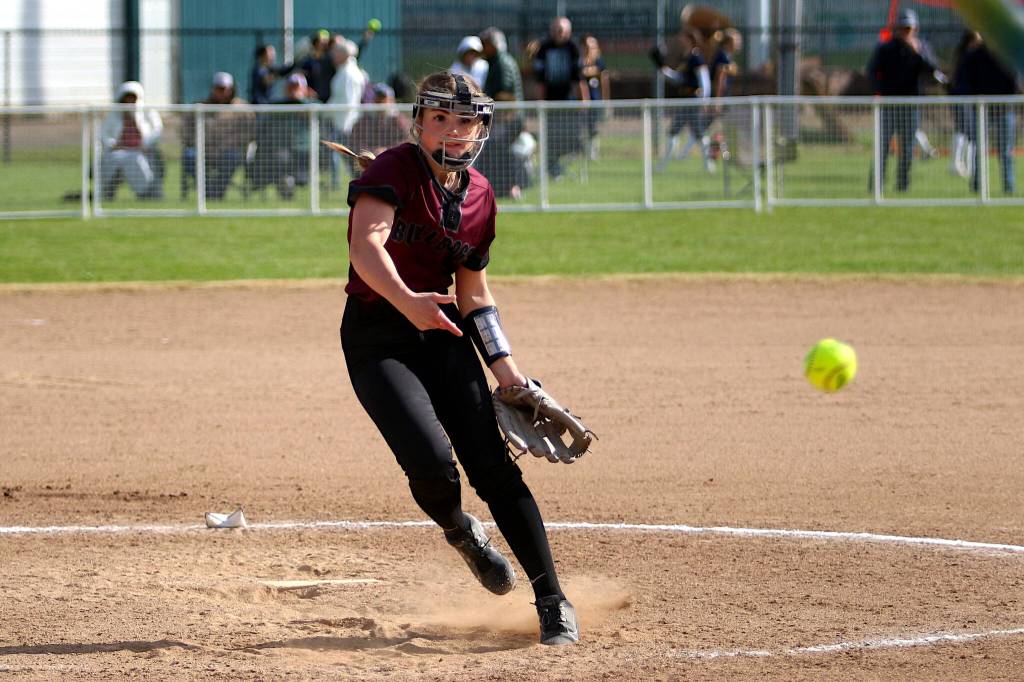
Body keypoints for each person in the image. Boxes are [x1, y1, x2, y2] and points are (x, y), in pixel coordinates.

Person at [340, 71, 579, 646]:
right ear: (419, 121)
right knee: (430, 463)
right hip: (378, 339)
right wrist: (406, 302)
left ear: (481, 130)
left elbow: (473, 293)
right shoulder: (390, 171)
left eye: (465, 120)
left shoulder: (480, 198)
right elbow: (365, 245)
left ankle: (552, 601)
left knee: (493, 467)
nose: (452, 130)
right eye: (440, 117)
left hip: (443, 334)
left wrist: (506, 367)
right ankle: (459, 529)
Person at [865, 9, 946, 192]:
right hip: (889, 104)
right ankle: (876, 183)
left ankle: (903, 184)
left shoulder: (922, 47)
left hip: (912, 103)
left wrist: (919, 53)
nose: (906, 32)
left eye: (909, 28)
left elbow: (933, 71)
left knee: (908, 147)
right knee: (883, 145)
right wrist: (880, 91)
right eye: (903, 28)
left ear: (915, 28)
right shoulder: (885, 48)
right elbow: (872, 71)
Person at [960, 36, 1020, 195]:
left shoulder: (1007, 56)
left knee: (1005, 151)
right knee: (978, 149)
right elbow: (964, 81)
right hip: (980, 110)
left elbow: (1015, 80)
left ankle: (1009, 187)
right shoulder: (974, 56)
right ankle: (977, 186)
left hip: (1004, 109)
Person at [532, 17, 586, 179]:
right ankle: (552, 167)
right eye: (556, 30)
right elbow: (540, 81)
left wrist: (584, 102)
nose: (559, 34)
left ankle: (562, 164)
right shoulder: (544, 48)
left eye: (562, 30)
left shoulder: (573, 48)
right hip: (550, 102)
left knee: (571, 136)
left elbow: (579, 79)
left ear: (568, 32)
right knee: (551, 137)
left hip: (568, 102)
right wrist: (540, 103)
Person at [479, 26, 529, 199]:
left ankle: (513, 187)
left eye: (484, 44)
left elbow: (506, 95)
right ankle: (502, 188)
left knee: (503, 152)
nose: (481, 48)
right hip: (504, 119)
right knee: (499, 152)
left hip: (507, 119)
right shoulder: (497, 62)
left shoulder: (502, 63)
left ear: (492, 45)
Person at [655, 29, 711, 172]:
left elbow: (704, 80)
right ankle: (663, 165)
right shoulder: (685, 57)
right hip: (685, 99)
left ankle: (708, 165)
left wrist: (705, 100)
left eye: (684, 38)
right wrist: (664, 70)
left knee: (697, 132)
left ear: (690, 40)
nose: (680, 40)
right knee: (675, 131)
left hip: (693, 100)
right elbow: (680, 79)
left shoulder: (696, 57)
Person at [99, 80, 163, 200]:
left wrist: (145, 144)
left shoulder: (147, 112)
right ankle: (107, 190)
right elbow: (103, 133)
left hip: (141, 151)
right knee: (112, 159)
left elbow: (157, 130)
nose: (129, 102)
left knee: (137, 160)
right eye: (126, 98)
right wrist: (112, 144)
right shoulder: (113, 115)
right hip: (119, 150)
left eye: (132, 98)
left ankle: (145, 191)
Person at [347, 83, 410, 166]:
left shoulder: (400, 121)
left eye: (383, 98)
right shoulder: (363, 122)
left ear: (391, 100)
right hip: (369, 165)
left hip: (394, 163)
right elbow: (355, 142)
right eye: (377, 98)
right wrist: (371, 152)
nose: (379, 102)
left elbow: (408, 141)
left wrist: (387, 150)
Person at [948, 30, 982, 178]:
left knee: (971, 133)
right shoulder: (966, 59)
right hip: (963, 98)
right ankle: (956, 163)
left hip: (969, 98)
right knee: (964, 130)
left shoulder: (967, 59)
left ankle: (969, 165)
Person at [580, 34, 610, 161]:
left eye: (593, 46)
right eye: (588, 46)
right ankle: (581, 151)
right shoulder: (580, 61)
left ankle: (592, 152)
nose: (591, 48)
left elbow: (604, 80)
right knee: (580, 127)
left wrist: (606, 101)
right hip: (582, 102)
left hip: (595, 100)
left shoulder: (599, 61)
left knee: (593, 127)